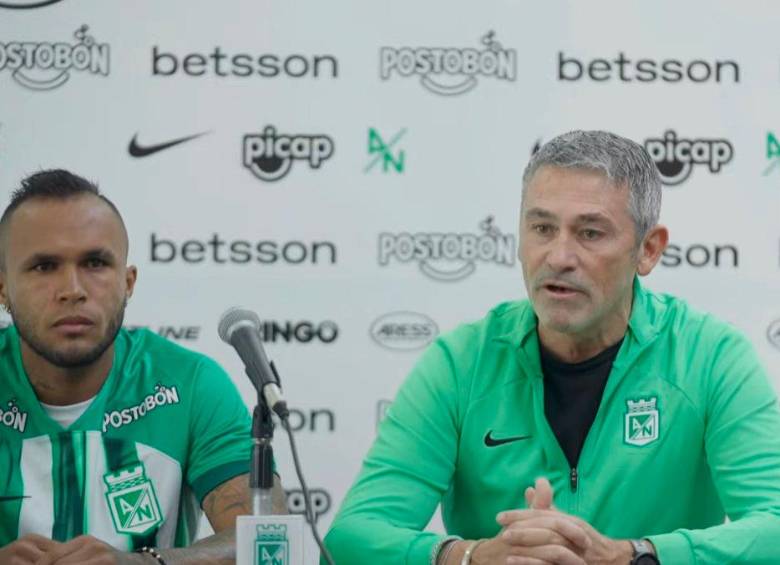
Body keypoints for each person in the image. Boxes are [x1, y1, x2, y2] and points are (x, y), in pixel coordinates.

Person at [324, 131, 780, 565]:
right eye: (542, 228)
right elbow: (355, 533)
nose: (559, 256)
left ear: (648, 250)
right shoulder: (462, 361)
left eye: (590, 233)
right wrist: (473, 556)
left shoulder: (710, 357)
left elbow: (774, 525)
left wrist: (633, 555)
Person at [0, 169, 286, 564]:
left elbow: (273, 540)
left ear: (128, 282)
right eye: (44, 266)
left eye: (95, 263)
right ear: (2, 288)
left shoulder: (188, 384)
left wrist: (139, 563)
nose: (72, 290)